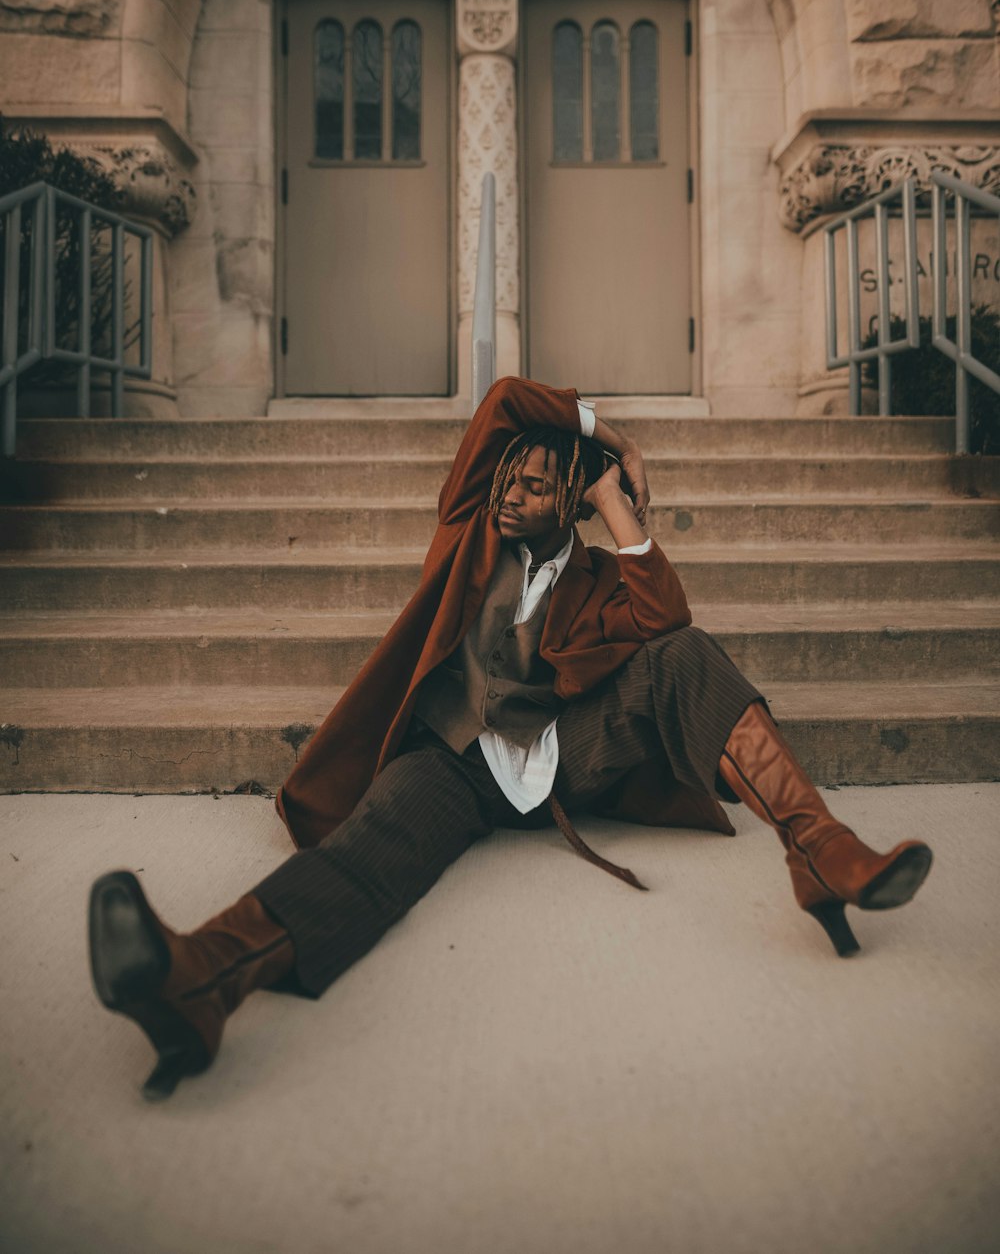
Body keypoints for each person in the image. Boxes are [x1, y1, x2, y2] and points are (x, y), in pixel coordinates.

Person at [88, 377, 933, 1100]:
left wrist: (616, 506)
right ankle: (202, 979)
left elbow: (667, 622)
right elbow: (503, 400)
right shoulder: (468, 536)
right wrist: (616, 437)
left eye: (533, 486)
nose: (510, 495)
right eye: (509, 479)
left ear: (568, 502)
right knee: (369, 846)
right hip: (454, 758)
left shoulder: (601, 577)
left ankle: (818, 849)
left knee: (685, 655)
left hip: (569, 756)